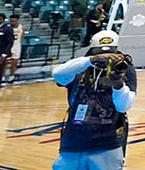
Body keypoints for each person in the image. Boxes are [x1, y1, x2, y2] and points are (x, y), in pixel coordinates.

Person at [51, 30, 137, 170]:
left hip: (107, 144)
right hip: (73, 142)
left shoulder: (125, 69)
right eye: (99, 54)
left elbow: (123, 106)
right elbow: (58, 75)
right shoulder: (80, 67)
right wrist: (90, 61)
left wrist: (118, 85)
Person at [6, 14, 25, 84]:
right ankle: (2, 77)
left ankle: (11, 76)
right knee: (4, 63)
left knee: (14, 63)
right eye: (11, 21)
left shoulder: (22, 27)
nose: (12, 22)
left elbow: (22, 37)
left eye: (13, 21)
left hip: (16, 46)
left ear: (17, 20)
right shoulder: (7, 27)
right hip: (8, 46)